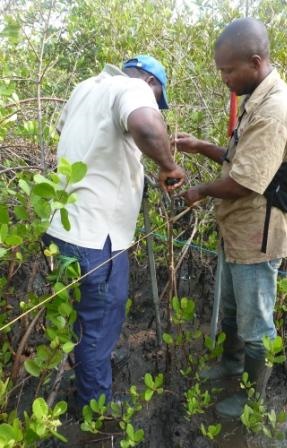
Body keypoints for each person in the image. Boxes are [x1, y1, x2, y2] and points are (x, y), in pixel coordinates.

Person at [174, 18, 287, 418]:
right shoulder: (259, 98)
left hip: (258, 235)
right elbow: (240, 159)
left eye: (228, 71)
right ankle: (231, 366)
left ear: (254, 61)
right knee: (233, 309)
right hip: (241, 229)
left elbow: (245, 183)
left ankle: (253, 399)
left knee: (257, 324)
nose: (225, 79)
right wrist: (201, 147)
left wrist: (198, 192)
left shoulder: (275, 110)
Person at [44, 55, 185, 410]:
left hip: (59, 230)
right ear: (152, 84)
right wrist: (168, 166)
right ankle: (95, 412)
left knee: (73, 317)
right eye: (158, 99)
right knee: (98, 328)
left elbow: (82, 144)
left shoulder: (84, 88)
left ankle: (75, 382)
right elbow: (147, 125)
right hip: (97, 239)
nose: (156, 104)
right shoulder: (134, 87)